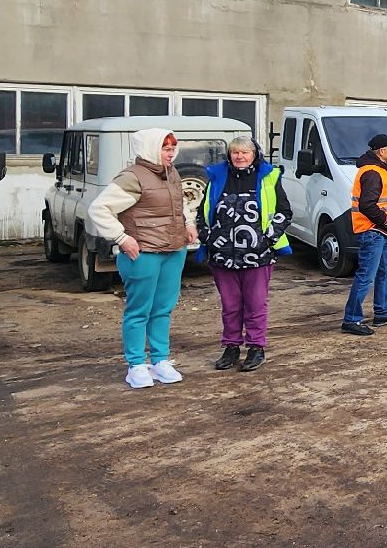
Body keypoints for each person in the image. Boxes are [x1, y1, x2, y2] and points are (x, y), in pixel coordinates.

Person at [87, 128, 198, 385]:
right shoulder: (132, 177)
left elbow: (181, 204)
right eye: (166, 149)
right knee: (139, 310)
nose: (171, 154)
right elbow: (99, 209)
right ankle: (136, 365)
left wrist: (189, 224)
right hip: (144, 253)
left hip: (173, 250)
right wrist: (122, 238)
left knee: (163, 309)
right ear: (150, 148)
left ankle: (160, 361)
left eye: (173, 149)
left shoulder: (172, 173)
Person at [197, 136, 293, 371]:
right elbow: (203, 212)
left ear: (254, 154)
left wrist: (268, 239)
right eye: (235, 152)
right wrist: (206, 237)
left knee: (255, 304)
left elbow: (284, 212)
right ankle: (231, 347)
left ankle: (256, 348)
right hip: (222, 256)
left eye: (244, 152)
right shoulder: (217, 177)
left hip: (258, 256)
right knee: (230, 306)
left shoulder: (269, 177)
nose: (239, 156)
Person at [338, 133, 387, 336]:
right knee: (366, 276)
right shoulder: (372, 172)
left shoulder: (376, 170)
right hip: (373, 231)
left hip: (379, 231)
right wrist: (386, 221)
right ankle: (351, 319)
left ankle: (382, 313)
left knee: (385, 272)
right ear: (381, 151)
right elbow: (367, 204)